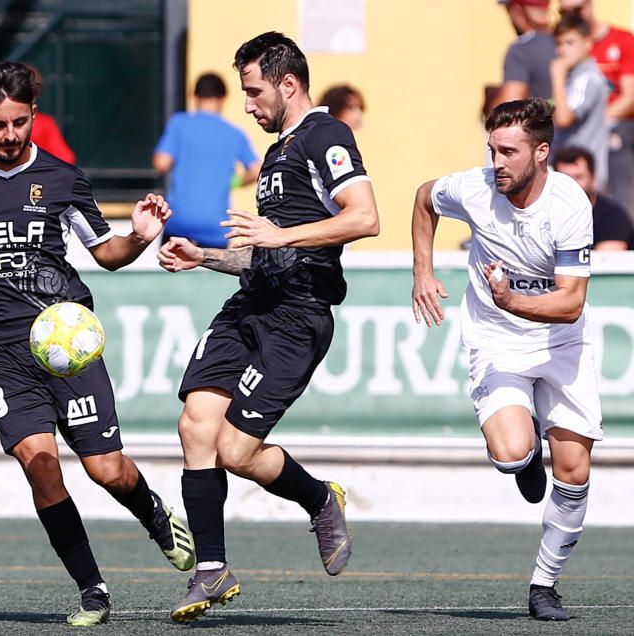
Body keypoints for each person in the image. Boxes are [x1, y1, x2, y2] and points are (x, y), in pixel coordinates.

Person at [0, 61, 194, 627]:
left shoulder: (62, 178)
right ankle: (92, 589)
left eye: (21, 123)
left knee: (106, 470)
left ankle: (153, 513)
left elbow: (106, 253)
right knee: (40, 465)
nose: (10, 137)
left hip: (66, 345)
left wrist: (140, 239)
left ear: (34, 116)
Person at [157, 32, 379, 623]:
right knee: (195, 423)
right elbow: (265, 253)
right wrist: (202, 256)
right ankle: (211, 569)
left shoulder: (327, 136)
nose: (248, 104)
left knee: (234, 448)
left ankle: (318, 500)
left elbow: (365, 217)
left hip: (298, 316)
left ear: (288, 84)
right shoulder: (277, 153)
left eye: (254, 92)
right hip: (250, 303)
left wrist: (281, 236)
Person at [412, 98, 600, 621]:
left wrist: (512, 298)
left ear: (542, 153)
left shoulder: (570, 205)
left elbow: (570, 304)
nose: (497, 161)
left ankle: (544, 584)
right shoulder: (473, 187)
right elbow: (423, 199)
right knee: (514, 454)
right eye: (492, 149)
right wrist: (422, 271)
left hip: (561, 341)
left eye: (508, 151)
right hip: (497, 341)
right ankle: (525, 448)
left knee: (575, 471)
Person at [153, 72, 260, 248]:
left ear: (194, 97)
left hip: (179, 222)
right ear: (223, 98)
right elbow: (257, 170)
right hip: (216, 226)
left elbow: (161, 163)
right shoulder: (234, 133)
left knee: (171, 270)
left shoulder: (179, 124)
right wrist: (237, 182)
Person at [560, 0, 634, 216]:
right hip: (579, 126)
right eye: (565, 11)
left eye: (578, 8)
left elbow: (629, 97)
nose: (573, 15)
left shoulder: (622, 40)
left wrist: (597, 122)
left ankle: (622, 222)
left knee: (615, 141)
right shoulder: (564, 46)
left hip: (616, 125)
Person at [0, 64, 75, 164]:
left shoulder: (45, 124)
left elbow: (65, 160)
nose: (10, 136)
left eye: (20, 123)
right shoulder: (45, 124)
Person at [550, 10, 610, 188]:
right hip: (568, 171)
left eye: (570, 42)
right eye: (559, 43)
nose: (562, 50)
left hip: (581, 174)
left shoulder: (587, 79)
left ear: (587, 43)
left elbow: (564, 118)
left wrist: (557, 77)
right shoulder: (573, 77)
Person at [554, 145, 634, 250]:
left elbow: (607, 261)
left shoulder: (612, 216)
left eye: (578, 177)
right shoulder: (543, 213)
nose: (571, 184)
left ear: (593, 178)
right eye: (565, 178)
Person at [494, 0, 555, 106]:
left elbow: (510, 109)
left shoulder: (521, 50)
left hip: (546, 122)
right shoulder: (568, 42)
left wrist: (491, 103)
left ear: (517, 10)